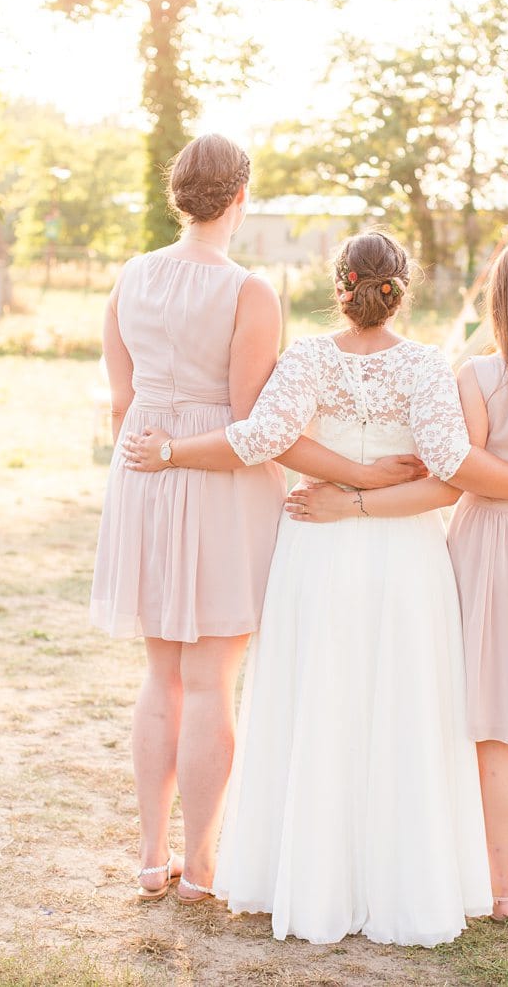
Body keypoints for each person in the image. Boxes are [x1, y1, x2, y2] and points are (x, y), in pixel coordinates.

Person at [122, 229, 508, 944]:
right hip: (404, 564)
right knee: (399, 708)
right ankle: (400, 878)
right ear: (402, 291)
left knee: (319, 703)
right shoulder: (430, 365)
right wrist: (373, 481)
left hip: (319, 550)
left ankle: (309, 874)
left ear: (342, 287)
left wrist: (173, 451)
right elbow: (449, 469)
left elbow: (259, 437)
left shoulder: (307, 357)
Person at [92, 135, 423, 903]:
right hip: (217, 485)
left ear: (179, 196)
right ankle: (201, 865)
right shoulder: (249, 292)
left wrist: (155, 458)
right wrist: (360, 475)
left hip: (145, 471)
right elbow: (250, 426)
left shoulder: (129, 278)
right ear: (240, 199)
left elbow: (120, 403)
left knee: (161, 675)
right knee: (211, 681)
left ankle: (151, 854)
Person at [287, 236, 508, 925]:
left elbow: (457, 471)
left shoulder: (478, 377)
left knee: (494, 730)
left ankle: (496, 886)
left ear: (499, 301)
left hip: (490, 549)